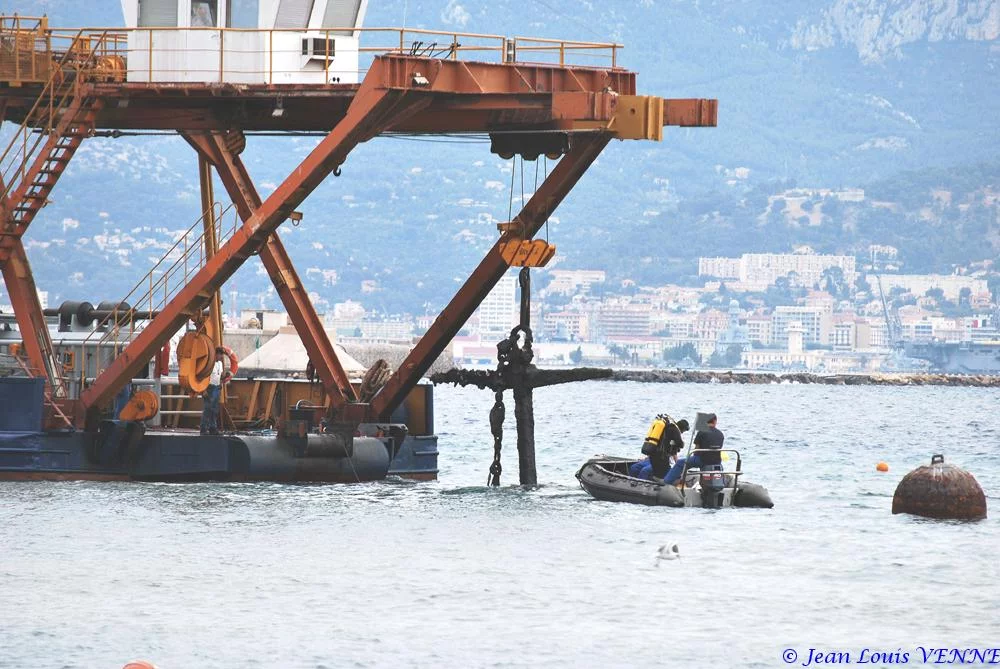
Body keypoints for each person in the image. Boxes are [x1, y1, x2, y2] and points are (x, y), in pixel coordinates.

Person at [663, 413, 724, 485]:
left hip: (702, 460)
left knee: (680, 463)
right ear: (715, 421)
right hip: (717, 461)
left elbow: (697, 448)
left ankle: (666, 482)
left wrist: (694, 456)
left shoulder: (702, 432)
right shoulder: (721, 434)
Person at [200, 347, 231, 435]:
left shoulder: (220, 364)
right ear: (215, 354)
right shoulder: (209, 364)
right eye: (220, 354)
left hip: (217, 387)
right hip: (209, 387)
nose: (221, 356)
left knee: (214, 409)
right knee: (208, 408)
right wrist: (203, 390)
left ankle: (212, 427)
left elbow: (219, 376)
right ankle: (204, 428)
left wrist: (224, 377)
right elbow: (203, 376)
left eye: (222, 355)